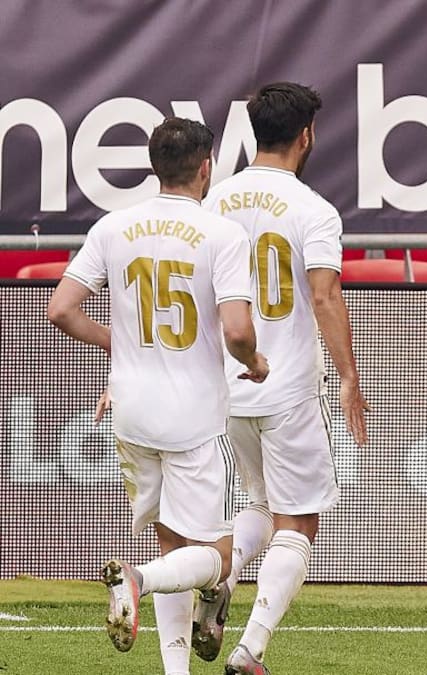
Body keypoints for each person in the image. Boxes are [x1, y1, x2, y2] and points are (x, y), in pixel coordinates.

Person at [47, 117, 269, 675]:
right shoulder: (222, 234)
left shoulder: (113, 227)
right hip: (193, 419)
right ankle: (137, 580)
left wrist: (117, 345)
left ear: (154, 166)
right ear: (205, 167)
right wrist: (255, 362)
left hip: (131, 415)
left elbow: (61, 310)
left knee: (177, 549)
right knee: (217, 558)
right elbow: (239, 331)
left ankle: (174, 669)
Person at [196, 81, 370, 675]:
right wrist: (349, 376)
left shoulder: (214, 201)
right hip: (290, 384)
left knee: (258, 500)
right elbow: (324, 296)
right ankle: (251, 648)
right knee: (298, 521)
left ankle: (224, 574)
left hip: (228, 381)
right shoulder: (313, 209)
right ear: (306, 135)